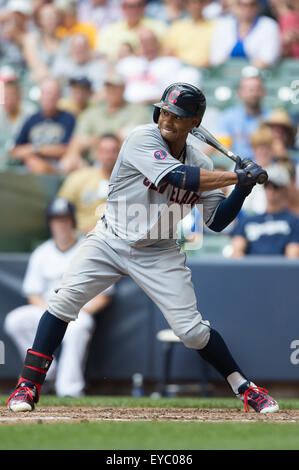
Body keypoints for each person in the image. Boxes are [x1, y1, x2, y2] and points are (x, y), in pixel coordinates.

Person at [6, 82, 279, 414]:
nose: (167, 118)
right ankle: (27, 386)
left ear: (194, 122)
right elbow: (175, 178)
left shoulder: (203, 164)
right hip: (110, 238)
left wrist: (243, 189)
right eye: (164, 110)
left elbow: (217, 221)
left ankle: (245, 388)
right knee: (63, 302)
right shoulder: (142, 138)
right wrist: (236, 177)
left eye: (177, 114)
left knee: (192, 332)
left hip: (159, 250)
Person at [4, 198, 114, 397]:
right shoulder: (42, 252)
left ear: (72, 221)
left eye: (65, 219)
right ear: (50, 224)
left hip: (79, 312)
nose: (61, 225)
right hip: (46, 309)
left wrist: (77, 311)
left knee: (78, 327)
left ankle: (69, 389)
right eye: (56, 220)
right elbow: (33, 294)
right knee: (15, 320)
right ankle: (44, 371)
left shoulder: (88, 249)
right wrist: (52, 314)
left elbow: (104, 296)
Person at [59, 70, 150, 173]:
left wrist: (93, 140)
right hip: (91, 164)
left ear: (123, 88)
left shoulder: (137, 110)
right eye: (108, 87)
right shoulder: (92, 112)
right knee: (67, 163)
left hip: (123, 164)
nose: (111, 91)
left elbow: (131, 137)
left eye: (115, 87)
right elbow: (77, 141)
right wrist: (75, 156)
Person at [116, 27, 201, 104]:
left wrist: (147, 101)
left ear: (157, 43)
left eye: (150, 42)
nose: (147, 46)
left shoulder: (171, 63)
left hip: (158, 107)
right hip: (125, 108)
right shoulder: (127, 63)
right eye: (143, 42)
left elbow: (176, 94)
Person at [9, 77, 76, 174]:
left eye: (53, 93)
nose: (50, 97)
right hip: (30, 166)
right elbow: (15, 150)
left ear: (59, 96)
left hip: (58, 167)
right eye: (47, 93)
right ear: (41, 96)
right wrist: (30, 155)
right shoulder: (32, 119)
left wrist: (35, 149)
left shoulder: (68, 118)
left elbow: (67, 149)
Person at [231, 164, 299, 257]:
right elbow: (236, 253)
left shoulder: (294, 221)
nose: (271, 190)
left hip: (280, 270)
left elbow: (292, 256)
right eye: (267, 185)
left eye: (276, 186)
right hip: (251, 270)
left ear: (284, 190)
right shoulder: (247, 221)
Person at [58, 134, 120, 234]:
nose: (109, 156)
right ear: (96, 153)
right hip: (83, 237)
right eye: (104, 151)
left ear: (121, 153)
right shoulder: (79, 178)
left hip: (118, 239)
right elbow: (61, 209)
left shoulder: (129, 182)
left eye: (114, 151)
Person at [209, 0, 281, 68]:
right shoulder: (224, 25)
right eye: (242, 4)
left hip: (256, 77)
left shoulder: (269, 25)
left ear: (258, 6)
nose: (247, 8)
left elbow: (267, 59)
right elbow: (216, 59)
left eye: (252, 5)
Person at [216, 75, 270, 161]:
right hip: (234, 166)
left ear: (264, 92)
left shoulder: (272, 118)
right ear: (239, 93)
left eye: (257, 89)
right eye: (249, 90)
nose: (253, 93)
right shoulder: (228, 117)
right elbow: (222, 150)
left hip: (266, 166)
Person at [96, 0, 167, 62]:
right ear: (122, 8)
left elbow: (167, 52)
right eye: (130, 6)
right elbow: (101, 56)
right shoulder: (109, 31)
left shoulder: (159, 27)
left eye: (138, 5)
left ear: (144, 6)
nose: (134, 10)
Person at [23, 3, 70, 83]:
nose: (51, 21)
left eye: (54, 17)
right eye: (47, 18)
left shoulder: (67, 41)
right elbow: (36, 67)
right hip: (39, 85)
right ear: (39, 20)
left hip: (61, 86)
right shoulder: (31, 39)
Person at [162, 0, 215, 68]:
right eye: (192, 2)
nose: (196, 6)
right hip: (180, 68)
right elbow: (167, 52)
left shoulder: (214, 26)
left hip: (205, 70)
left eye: (200, 2)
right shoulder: (177, 26)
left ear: (205, 4)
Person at [0, 70, 37, 167]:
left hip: (23, 154)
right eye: (6, 96)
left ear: (19, 96)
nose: (9, 101)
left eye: (12, 96)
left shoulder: (30, 111)